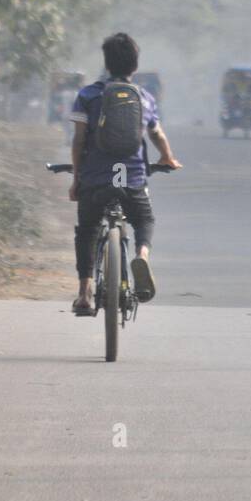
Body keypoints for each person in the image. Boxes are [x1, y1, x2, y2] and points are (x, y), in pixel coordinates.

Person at [69, 32, 181, 315]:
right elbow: (156, 134)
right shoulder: (144, 98)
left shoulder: (88, 95)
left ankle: (84, 293)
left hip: (96, 178)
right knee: (144, 219)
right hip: (130, 178)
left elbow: (79, 140)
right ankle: (141, 255)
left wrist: (76, 179)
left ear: (107, 64)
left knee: (88, 230)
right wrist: (167, 158)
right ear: (134, 66)